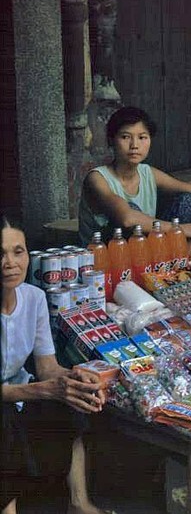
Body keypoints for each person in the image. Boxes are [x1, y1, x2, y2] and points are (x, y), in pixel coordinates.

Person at [1, 214, 108, 514]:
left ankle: (79, 502)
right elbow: (41, 385)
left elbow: (47, 367)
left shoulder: (34, 298)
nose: (10, 262)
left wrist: (76, 378)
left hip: (19, 390)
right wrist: (47, 390)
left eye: (17, 251)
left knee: (72, 400)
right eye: (1, 254)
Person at [79, 106, 191, 258]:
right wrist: (180, 229)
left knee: (190, 200)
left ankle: (173, 261)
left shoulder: (148, 172)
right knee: (131, 209)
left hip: (146, 248)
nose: (134, 145)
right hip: (107, 256)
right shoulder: (97, 178)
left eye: (142, 137)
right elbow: (127, 219)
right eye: (125, 137)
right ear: (111, 140)